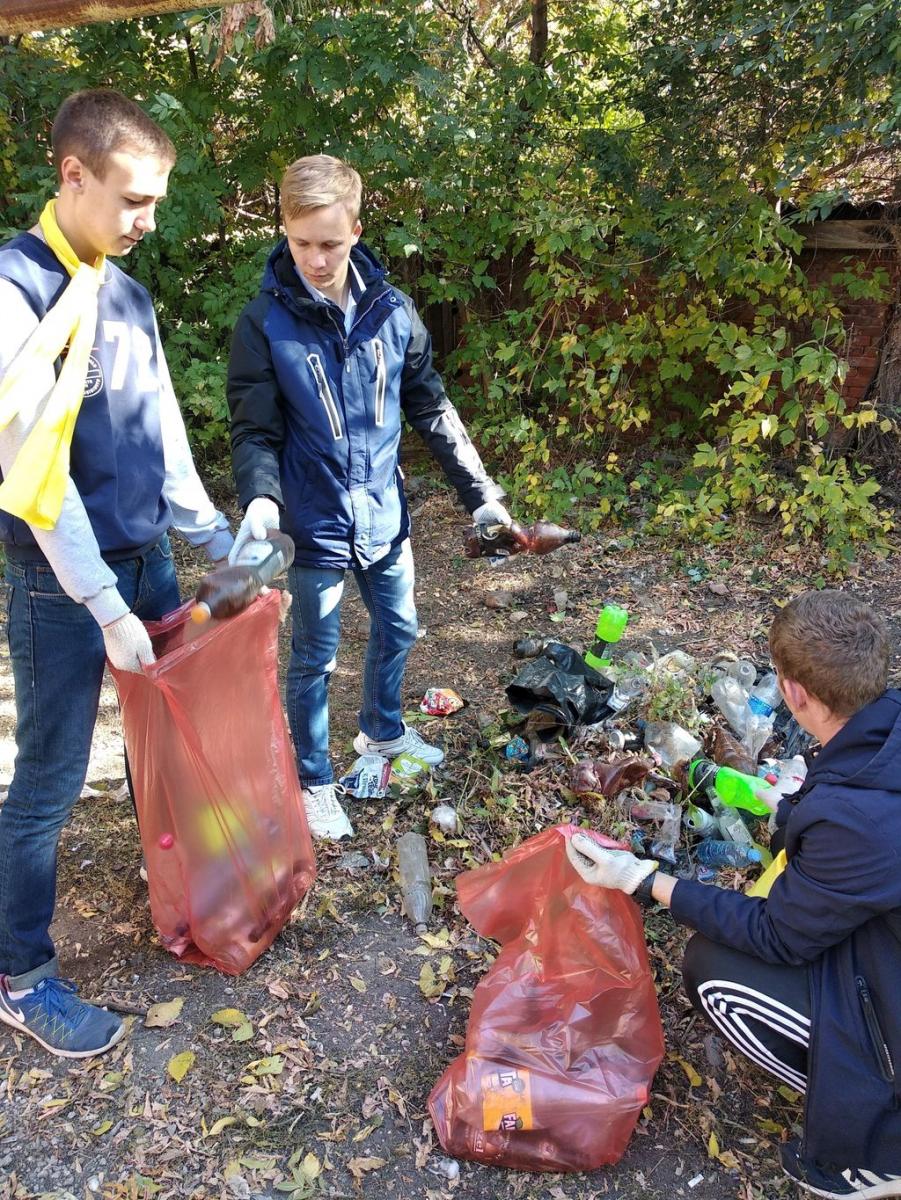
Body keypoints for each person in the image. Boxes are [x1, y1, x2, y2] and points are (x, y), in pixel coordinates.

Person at [0, 90, 233, 1058]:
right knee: (51, 778)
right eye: (133, 200)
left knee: (160, 749)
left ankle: (174, 890)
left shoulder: (125, 289)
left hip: (149, 557)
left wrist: (216, 537)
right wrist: (100, 603)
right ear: (73, 175)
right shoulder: (16, 293)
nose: (148, 221)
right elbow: (33, 474)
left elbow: (162, 431)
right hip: (62, 582)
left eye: (157, 202)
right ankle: (20, 975)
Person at [566, 590, 901, 1199]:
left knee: (714, 969)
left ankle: (881, 1136)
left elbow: (777, 934)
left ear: (794, 692)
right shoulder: (890, 726)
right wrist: (780, 805)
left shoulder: (857, 823)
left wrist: (642, 880)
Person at [227, 155, 513, 840]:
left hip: (384, 514)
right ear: (285, 232)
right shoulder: (265, 322)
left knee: (400, 626)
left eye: (329, 243)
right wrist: (261, 500)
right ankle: (313, 779)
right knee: (314, 658)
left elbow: (431, 407)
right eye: (301, 244)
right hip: (314, 520)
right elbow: (254, 428)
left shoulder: (393, 312)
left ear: (356, 228)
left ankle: (383, 734)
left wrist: (480, 494)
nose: (316, 259)